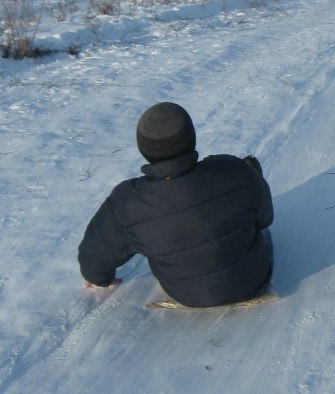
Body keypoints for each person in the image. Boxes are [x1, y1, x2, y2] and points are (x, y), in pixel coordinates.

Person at [78, 101, 274, 308]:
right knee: (250, 174)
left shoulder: (127, 202)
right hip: (253, 280)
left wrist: (101, 278)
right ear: (191, 139)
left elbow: (95, 256)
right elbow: (265, 219)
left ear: (143, 148)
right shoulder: (232, 169)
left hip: (188, 295)